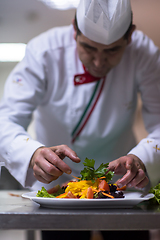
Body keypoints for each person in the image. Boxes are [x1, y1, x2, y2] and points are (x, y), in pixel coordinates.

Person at [0, 0, 160, 239]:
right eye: (88, 48)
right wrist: (32, 154)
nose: (98, 62)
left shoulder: (144, 53)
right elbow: (7, 118)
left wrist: (142, 157)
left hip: (121, 180)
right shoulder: (43, 51)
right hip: (56, 180)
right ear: (74, 30)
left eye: (112, 50)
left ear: (130, 37)